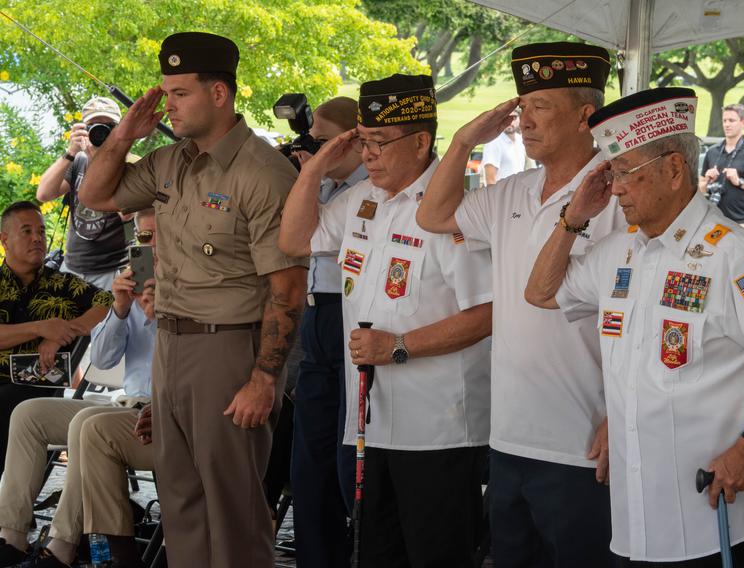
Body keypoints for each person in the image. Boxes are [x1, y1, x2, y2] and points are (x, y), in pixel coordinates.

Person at [525, 87, 744, 566]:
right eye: (613, 173)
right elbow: (539, 293)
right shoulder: (621, 251)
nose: (616, 187)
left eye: (626, 172)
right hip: (636, 507)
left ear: (672, 169)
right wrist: (572, 218)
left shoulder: (731, 255)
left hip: (706, 508)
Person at [77, 32, 306, 568]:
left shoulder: (263, 172)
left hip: (229, 350)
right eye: (165, 92)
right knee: (180, 503)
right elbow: (95, 195)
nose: (167, 105)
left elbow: (288, 289)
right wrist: (126, 134)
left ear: (219, 93)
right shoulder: (167, 161)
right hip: (172, 347)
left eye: (179, 93)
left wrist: (264, 377)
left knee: (235, 513)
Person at [416, 42, 622, 566]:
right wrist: (463, 141)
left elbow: (640, 315)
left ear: (586, 116)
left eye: (542, 107)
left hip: (583, 439)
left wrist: (622, 414)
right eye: (522, 109)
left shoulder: (618, 195)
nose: (525, 121)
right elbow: (433, 217)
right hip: (510, 437)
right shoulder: (513, 191)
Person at [279, 73, 493, 567]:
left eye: (381, 142)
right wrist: (315, 171)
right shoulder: (361, 200)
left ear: (421, 141)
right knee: (377, 555)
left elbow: (487, 313)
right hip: (370, 425)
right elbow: (293, 241)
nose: (369, 154)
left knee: (435, 556)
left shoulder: (455, 211)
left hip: (439, 431)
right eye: (364, 141)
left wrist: (400, 345)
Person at [0, 209, 156, 568]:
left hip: (152, 410)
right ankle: (11, 537)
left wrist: (157, 310)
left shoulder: (195, 289)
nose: (144, 249)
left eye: (151, 238)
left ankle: (60, 547)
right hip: (121, 405)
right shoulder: (130, 291)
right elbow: (102, 358)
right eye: (140, 239)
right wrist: (119, 308)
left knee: (82, 423)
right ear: (5, 239)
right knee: (28, 415)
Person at [288, 96, 366, 568]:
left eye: (321, 141)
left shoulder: (367, 190)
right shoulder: (319, 184)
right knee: (309, 460)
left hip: (351, 315)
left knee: (347, 457)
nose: (312, 148)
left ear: (349, 140)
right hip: (316, 317)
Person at [0, 201, 112, 480]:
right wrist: (41, 327)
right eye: (26, 231)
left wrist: (66, 331)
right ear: (4, 240)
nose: (37, 238)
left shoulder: (64, 285)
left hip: (36, 386)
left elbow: (108, 301)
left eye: (41, 230)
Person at [36, 97, 130, 290]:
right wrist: (70, 152)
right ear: (83, 130)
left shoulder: (129, 165)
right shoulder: (77, 160)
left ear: (119, 129)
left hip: (111, 271)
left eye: (108, 126)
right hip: (72, 267)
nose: (101, 131)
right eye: (93, 126)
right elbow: (44, 194)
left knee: (108, 320)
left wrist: (101, 163)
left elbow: (127, 213)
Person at [699, 103, 744, 231]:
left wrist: (739, 182)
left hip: (742, 224)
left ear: (743, 122)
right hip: (713, 223)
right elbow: (699, 189)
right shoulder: (712, 152)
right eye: (724, 120)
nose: (727, 124)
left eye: (731, 120)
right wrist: (706, 181)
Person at [480, 109, 525, 186]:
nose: (510, 122)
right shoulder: (493, 141)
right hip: (501, 196)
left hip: (518, 194)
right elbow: (490, 180)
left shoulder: (520, 140)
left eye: (514, 118)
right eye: (506, 118)